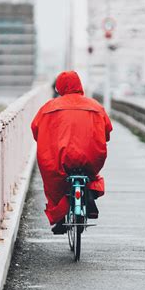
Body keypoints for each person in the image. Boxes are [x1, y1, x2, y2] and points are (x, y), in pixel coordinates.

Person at [31, 71, 112, 234]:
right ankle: (88, 194)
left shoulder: (48, 107)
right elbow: (107, 131)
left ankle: (60, 216)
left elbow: (35, 130)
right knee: (89, 174)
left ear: (59, 87)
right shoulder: (96, 106)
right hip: (90, 156)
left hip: (60, 157)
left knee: (53, 182)